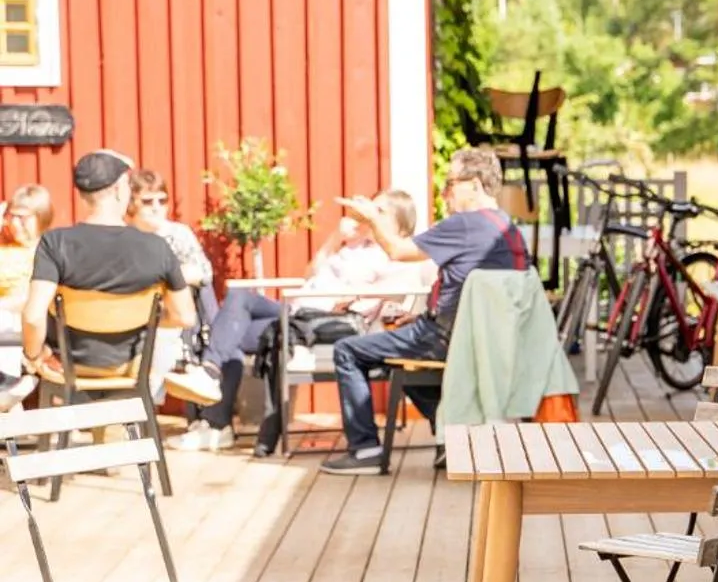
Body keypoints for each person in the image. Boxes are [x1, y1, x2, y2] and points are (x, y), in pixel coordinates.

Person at [321, 148, 526, 474]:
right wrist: (423, 315)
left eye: (450, 183)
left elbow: (398, 251)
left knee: (349, 351)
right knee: (403, 355)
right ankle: (453, 440)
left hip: (447, 339)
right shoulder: (508, 230)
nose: (445, 192)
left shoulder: (464, 225)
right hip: (486, 342)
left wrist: (371, 218)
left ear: (473, 184)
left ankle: (365, 452)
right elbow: (476, 297)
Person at [172, 191, 426, 454]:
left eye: (380, 212)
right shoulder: (355, 245)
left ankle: (215, 418)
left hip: (322, 322)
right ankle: (213, 396)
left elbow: (393, 291)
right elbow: (310, 274)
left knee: (227, 333)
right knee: (234, 313)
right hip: (297, 311)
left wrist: (356, 295)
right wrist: (335, 237)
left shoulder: (395, 257)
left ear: (400, 223)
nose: (370, 215)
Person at [20, 150, 209, 401]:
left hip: (69, 364)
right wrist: (143, 318)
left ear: (81, 195)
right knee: (127, 388)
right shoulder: (156, 247)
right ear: (121, 189)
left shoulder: (55, 243)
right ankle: (118, 433)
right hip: (130, 364)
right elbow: (184, 316)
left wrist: (34, 356)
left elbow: (33, 316)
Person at [125, 166, 218, 401]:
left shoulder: (178, 233)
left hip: (175, 317)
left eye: (162, 200)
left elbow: (203, 273)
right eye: (147, 201)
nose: (157, 207)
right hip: (134, 318)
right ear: (131, 204)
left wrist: (165, 278)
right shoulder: (122, 238)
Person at [0, 183, 54, 411]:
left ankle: (8, 388)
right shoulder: (3, 247)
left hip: (31, 318)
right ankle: (10, 397)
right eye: (12, 216)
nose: (15, 223)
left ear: (41, 217)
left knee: (5, 318)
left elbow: (37, 296)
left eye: (24, 218)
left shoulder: (49, 248)